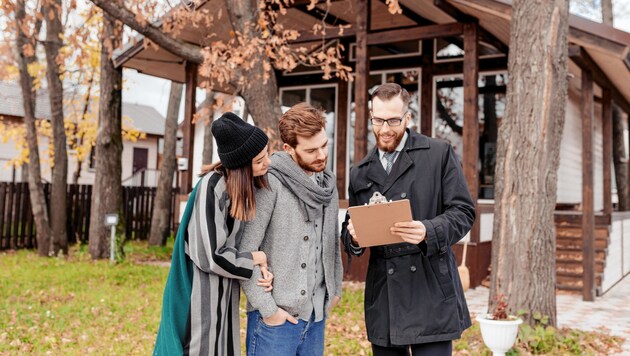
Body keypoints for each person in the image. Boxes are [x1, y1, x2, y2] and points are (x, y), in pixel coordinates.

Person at [342, 83, 476, 356]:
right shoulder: (360, 173)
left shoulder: (439, 153)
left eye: (393, 120)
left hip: (431, 288)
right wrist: (353, 236)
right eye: (377, 120)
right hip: (386, 296)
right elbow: (350, 229)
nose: (385, 128)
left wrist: (428, 230)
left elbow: (463, 211)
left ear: (407, 118)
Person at [153, 112, 274, 356]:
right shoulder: (212, 187)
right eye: (260, 160)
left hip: (223, 298)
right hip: (198, 301)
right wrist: (254, 259)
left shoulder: (239, 188)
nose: (268, 162)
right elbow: (210, 255)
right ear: (241, 166)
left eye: (267, 155)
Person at [239, 102, 343, 356]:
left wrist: (335, 289)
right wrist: (269, 310)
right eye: (311, 150)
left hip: (316, 318)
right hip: (274, 324)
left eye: (324, 145)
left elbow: (330, 242)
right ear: (288, 149)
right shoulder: (269, 182)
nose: (321, 155)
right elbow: (244, 252)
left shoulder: (327, 185)